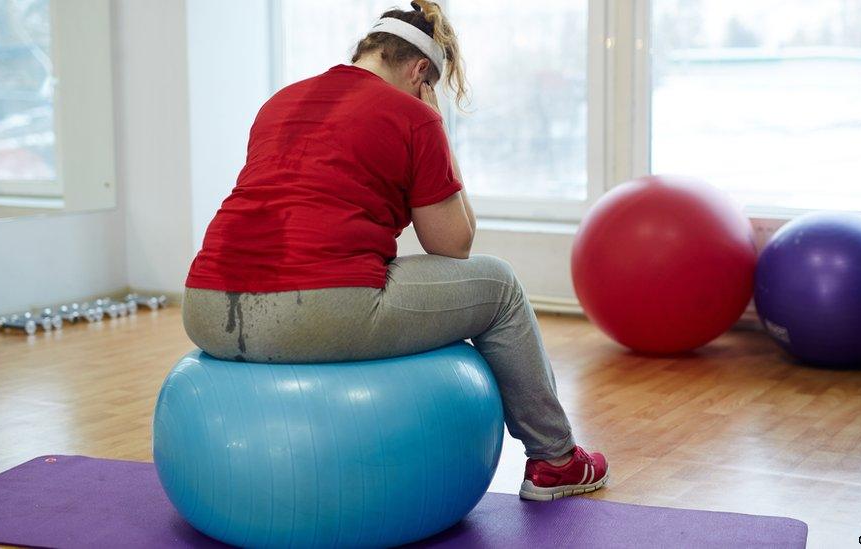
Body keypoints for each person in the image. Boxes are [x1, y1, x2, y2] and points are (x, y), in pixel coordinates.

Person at [183, 0, 608, 502]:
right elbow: (453, 245)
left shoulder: (280, 101)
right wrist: (437, 130)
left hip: (205, 306)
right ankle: (556, 460)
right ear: (420, 70)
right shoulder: (413, 114)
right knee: (501, 286)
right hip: (316, 309)